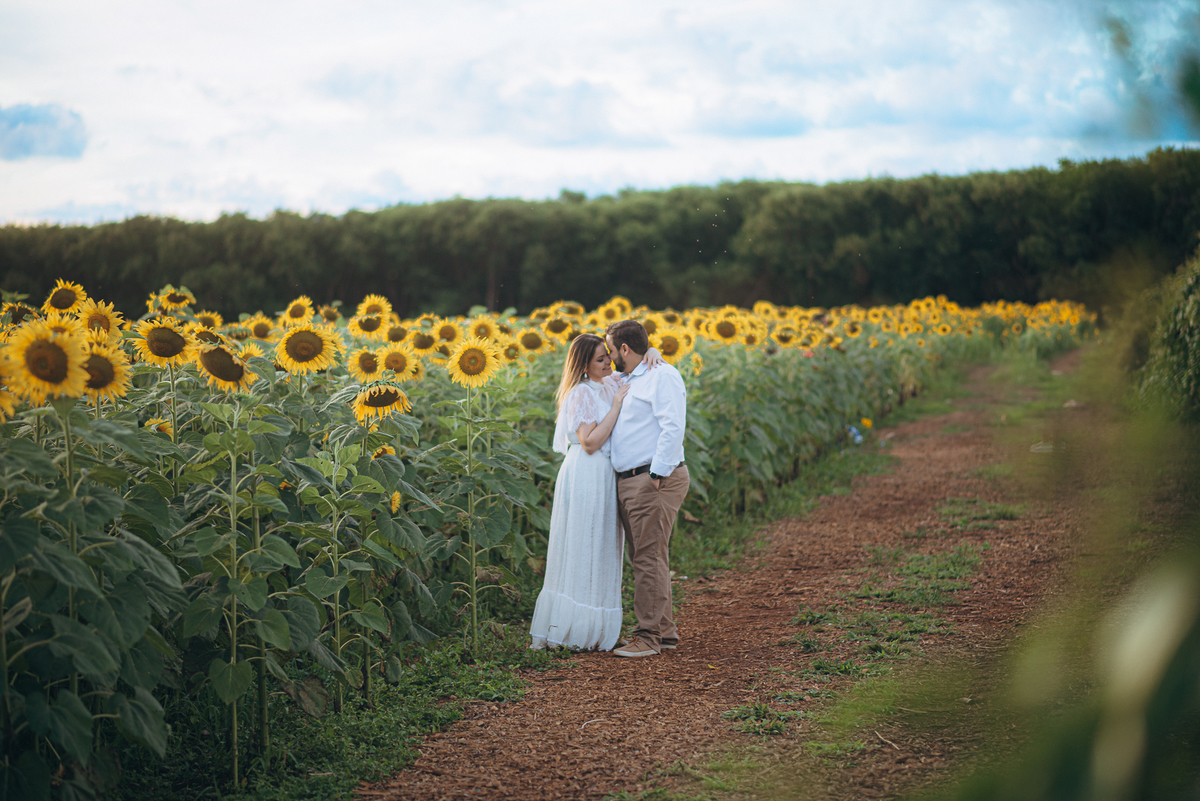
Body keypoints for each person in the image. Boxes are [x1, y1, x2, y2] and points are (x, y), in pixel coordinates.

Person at [528, 334, 663, 651]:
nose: (609, 361)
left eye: (608, 356)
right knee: (583, 544)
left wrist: (652, 351)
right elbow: (589, 442)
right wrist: (616, 407)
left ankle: (595, 629)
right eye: (601, 359)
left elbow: (636, 365)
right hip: (587, 473)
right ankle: (572, 629)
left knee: (602, 546)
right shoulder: (581, 393)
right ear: (584, 365)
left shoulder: (609, 381)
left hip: (605, 474)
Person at [607, 319, 689, 658]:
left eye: (612, 350)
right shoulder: (630, 377)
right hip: (633, 480)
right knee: (648, 557)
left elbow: (673, 426)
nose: (610, 356)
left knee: (648, 558)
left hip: (652, 480)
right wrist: (649, 351)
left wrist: (655, 475)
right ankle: (665, 632)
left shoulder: (662, 376)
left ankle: (648, 636)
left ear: (624, 349)